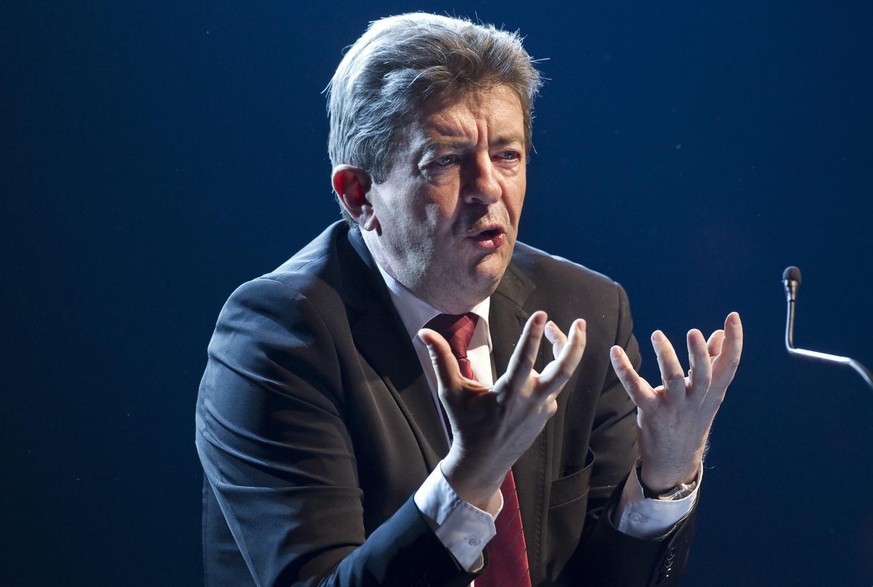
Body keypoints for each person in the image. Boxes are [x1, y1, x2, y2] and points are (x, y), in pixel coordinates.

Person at [195, 12, 743, 587]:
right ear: (359, 195)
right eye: (447, 160)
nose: (488, 188)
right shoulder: (280, 336)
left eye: (507, 155)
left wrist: (664, 475)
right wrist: (470, 476)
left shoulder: (584, 310)